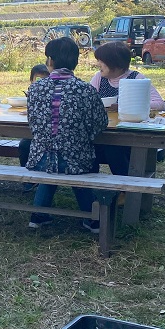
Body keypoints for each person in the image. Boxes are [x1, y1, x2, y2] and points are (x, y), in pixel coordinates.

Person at [26, 37, 109, 232]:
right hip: (76, 158)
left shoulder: (35, 89)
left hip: (40, 158)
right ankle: (92, 218)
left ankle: (38, 215)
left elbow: (32, 122)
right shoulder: (86, 90)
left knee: (52, 165)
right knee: (74, 164)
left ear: (50, 60)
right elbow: (100, 124)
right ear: (76, 62)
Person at [89, 42, 164, 175]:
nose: (98, 64)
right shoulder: (99, 78)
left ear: (115, 63)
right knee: (90, 147)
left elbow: (159, 103)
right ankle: (90, 185)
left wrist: (127, 106)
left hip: (129, 135)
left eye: (102, 61)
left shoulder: (137, 78)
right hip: (104, 131)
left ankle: (126, 185)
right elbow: (88, 101)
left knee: (113, 149)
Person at [19, 64, 50, 191]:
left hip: (46, 135)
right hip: (33, 132)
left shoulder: (51, 91)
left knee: (28, 144)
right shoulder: (32, 90)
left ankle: (38, 178)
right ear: (31, 80)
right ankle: (27, 177)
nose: (41, 82)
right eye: (38, 79)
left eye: (44, 79)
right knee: (24, 145)